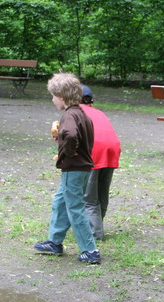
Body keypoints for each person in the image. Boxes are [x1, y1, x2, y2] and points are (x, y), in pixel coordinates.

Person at [33, 73, 101, 265]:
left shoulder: (69, 115)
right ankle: (55, 242)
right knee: (61, 200)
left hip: (74, 168)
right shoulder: (80, 113)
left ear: (61, 97)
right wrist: (62, 140)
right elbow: (74, 136)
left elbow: (71, 135)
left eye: (53, 96)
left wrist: (67, 152)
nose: (52, 100)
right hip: (80, 168)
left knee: (75, 207)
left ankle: (90, 250)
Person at [80, 85, 121, 240]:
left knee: (89, 197)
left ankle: (95, 234)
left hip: (94, 150)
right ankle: (98, 225)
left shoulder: (76, 112)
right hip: (112, 149)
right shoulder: (99, 112)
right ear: (91, 101)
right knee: (102, 191)